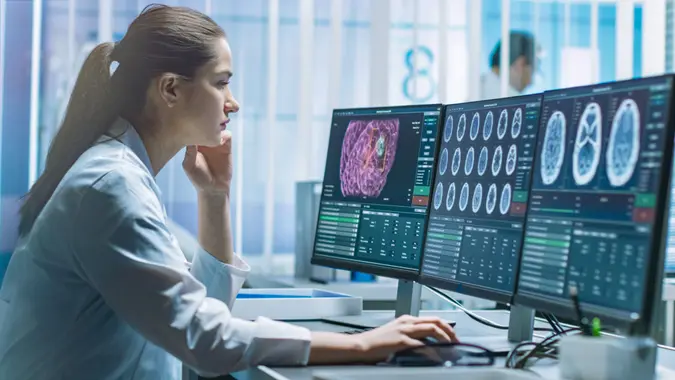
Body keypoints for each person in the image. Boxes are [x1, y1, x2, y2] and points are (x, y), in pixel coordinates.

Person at [0, 5, 457, 380]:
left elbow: (198, 315)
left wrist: (214, 196)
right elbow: (203, 340)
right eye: (221, 82)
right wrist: (361, 344)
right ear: (171, 90)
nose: (233, 102)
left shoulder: (119, 173)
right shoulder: (110, 186)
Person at [480, 31, 538, 100]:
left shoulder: (476, 87)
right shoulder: (512, 100)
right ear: (521, 64)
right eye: (531, 72)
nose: (530, 83)